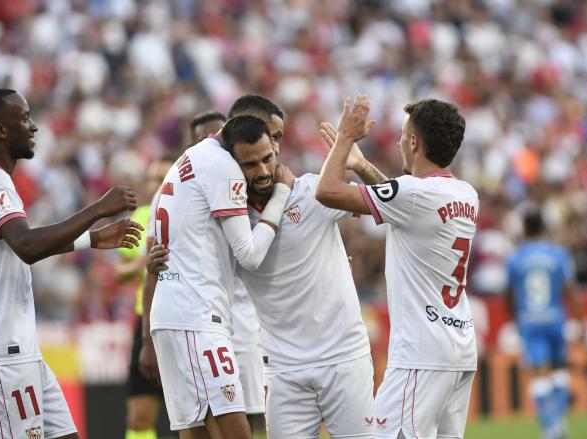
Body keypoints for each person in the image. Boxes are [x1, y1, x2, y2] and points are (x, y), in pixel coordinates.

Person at [147, 114, 389, 438]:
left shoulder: (311, 191)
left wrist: (360, 166)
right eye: (250, 165)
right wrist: (160, 262)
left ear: (276, 147)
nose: (262, 171)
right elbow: (201, 253)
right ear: (233, 164)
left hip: (343, 358)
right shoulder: (230, 218)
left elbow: (389, 202)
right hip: (283, 370)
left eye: (268, 158)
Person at [0, 89, 143, 439]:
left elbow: (22, 245)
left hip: (23, 351)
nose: (33, 127)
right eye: (24, 118)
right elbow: (28, 246)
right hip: (0, 354)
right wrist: (97, 209)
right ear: (1, 130)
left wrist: (91, 239)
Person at [316, 95, 478, 439]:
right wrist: (361, 167)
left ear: (415, 142)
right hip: (460, 348)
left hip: (421, 352)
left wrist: (345, 138)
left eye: (404, 135)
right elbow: (403, 203)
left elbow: (326, 190)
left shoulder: (414, 195)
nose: (400, 141)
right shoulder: (466, 194)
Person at [140, 114, 294, 439]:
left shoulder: (188, 163)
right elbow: (250, 256)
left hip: (178, 313)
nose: (263, 169)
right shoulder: (221, 166)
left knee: (196, 430)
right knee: (237, 427)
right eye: (253, 161)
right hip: (197, 316)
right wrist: (280, 195)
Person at [506, 209, 585, 439]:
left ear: (525, 229)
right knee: (560, 370)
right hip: (555, 318)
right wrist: (582, 322)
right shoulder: (558, 254)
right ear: (543, 228)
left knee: (540, 374)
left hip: (530, 321)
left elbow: (508, 294)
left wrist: (515, 319)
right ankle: (557, 423)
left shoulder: (516, 258)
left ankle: (549, 426)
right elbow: (571, 291)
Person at [117, 154, 176, 439]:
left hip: (181, 318)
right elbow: (120, 273)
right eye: (152, 178)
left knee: (195, 413)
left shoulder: (186, 212)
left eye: (161, 178)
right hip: (146, 320)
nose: (155, 184)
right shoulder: (140, 218)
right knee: (140, 416)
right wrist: (142, 263)